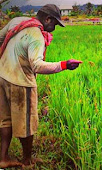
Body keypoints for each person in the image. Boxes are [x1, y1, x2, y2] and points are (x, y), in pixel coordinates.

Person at [0, 4, 82, 168]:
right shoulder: (36, 35)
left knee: (5, 120)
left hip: (2, 75)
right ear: (47, 19)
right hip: (21, 83)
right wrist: (64, 65)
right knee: (28, 124)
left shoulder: (17, 21)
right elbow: (37, 65)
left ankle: (3, 158)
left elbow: (0, 38)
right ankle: (27, 160)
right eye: (55, 24)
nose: (54, 28)